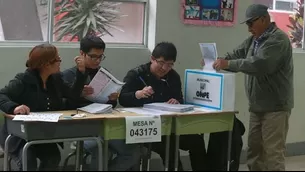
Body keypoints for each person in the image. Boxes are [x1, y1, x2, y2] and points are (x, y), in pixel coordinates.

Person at [204, 4, 293, 171]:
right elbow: (237, 54)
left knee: (272, 153)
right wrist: (217, 61)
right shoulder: (254, 40)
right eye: (247, 24)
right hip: (257, 106)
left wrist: (228, 63)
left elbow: (259, 64)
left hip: (275, 107)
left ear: (264, 19)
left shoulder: (277, 40)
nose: (249, 28)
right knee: (254, 151)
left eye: (251, 23)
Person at [119, 42, 208, 171]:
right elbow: (122, 99)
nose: (165, 68)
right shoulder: (137, 74)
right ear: (152, 59)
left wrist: (177, 102)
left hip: (171, 127)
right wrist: (138, 94)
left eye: (170, 64)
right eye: (161, 63)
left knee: (197, 141)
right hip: (147, 129)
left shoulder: (173, 77)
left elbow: (180, 99)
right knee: (170, 147)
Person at [0, 43, 87, 171]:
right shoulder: (23, 79)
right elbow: (1, 95)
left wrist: (81, 73)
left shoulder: (56, 79)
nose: (60, 62)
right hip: (18, 136)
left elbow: (73, 95)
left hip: (40, 133)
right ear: (46, 64)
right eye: (58, 59)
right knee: (29, 162)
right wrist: (14, 107)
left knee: (53, 158)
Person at [62, 35, 140, 171]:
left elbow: (109, 106)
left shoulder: (103, 74)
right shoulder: (68, 75)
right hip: (81, 128)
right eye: (93, 56)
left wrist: (112, 99)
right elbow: (64, 105)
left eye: (100, 57)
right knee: (100, 148)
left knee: (133, 151)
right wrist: (78, 93)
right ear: (82, 53)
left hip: (105, 126)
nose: (97, 61)